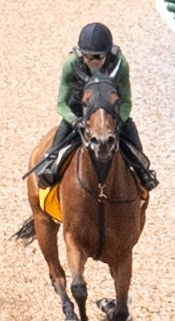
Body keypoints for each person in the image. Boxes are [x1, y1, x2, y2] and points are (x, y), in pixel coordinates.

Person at [32, 19, 157, 193]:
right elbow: (61, 104)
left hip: (111, 112)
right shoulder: (70, 64)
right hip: (80, 109)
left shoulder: (121, 64)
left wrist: (119, 119)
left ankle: (143, 172)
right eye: (88, 56)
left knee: (132, 139)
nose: (93, 61)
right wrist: (75, 121)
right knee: (59, 141)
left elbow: (126, 101)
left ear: (107, 53)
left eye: (98, 57)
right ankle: (50, 164)